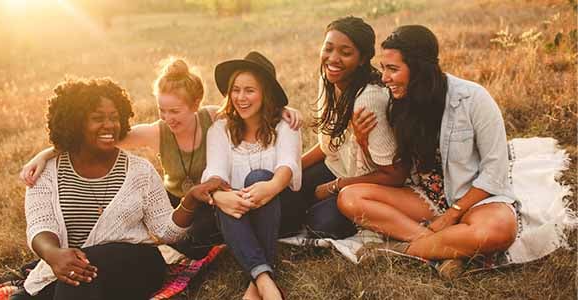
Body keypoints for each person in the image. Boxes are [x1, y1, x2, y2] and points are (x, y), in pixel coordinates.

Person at [19, 57, 302, 260]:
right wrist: (48, 152)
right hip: (177, 202)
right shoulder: (157, 131)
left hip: (210, 199)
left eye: (175, 111)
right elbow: (98, 136)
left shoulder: (214, 118)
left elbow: (248, 106)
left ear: (195, 105)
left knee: (204, 233)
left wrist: (284, 109)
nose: (168, 118)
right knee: (183, 233)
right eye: (162, 110)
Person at [338, 25, 519, 279]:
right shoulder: (399, 103)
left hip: (474, 198)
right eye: (384, 68)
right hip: (427, 197)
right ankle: (443, 250)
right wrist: (363, 141)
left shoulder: (473, 98)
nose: (384, 78)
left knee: (500, 230)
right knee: (349, 198)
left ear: (419, 69)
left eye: (393, 69)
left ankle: (402, 250)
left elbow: (495, 173)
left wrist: (452, 214)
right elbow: (394, 172)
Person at [11, 78, 194, 299]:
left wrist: (190, 201)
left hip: (137, 265)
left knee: (81, 272)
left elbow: (166, 231)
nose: (109, 125)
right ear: (75, 123)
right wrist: (53, 255)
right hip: (67, 266)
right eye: (98, 118)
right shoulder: (46, 171)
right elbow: (40, 224)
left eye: (115, 118)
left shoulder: (140, 171)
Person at [285, 16, 407, 239]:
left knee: (320, 226)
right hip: (336, 168)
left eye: (345, 52)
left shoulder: (368, 101)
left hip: (370, 182)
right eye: (328, 48)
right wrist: (290, 170)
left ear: (362, 59)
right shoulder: (329, 80)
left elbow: (395, 175)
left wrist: (336, 186)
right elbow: (327, 147)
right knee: (284, 194)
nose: (333, 59)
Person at [201, 51, 301, 300]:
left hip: (280, 209)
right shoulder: (219, 130)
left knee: (257, 177)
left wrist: (271, 186)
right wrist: (218, 195)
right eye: (235, 90)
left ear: (265, 93)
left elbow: (287, 165)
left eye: (249, 90)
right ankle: (264, 281)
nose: (240, 98)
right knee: (227, 196)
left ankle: (256, 280)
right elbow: (214, 172)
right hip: (238, 214)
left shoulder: (285, 125)